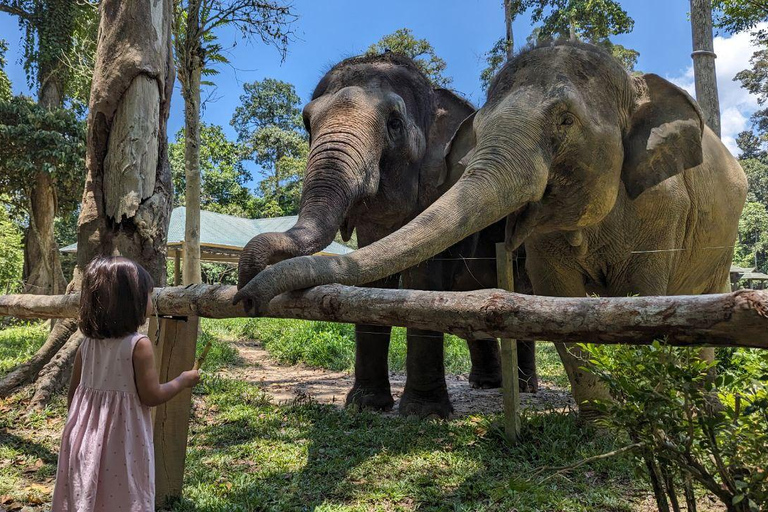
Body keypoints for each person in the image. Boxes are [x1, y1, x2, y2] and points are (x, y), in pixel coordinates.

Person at [51, 256, 200, 511]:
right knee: (124, 493)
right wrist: (182, 380)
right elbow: (151, 396)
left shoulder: (87, 345)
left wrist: (82, 428)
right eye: (148, 296)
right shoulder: (138, 345)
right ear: (130, 303)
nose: (151, 302)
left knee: (88, 492)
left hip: (84, 437)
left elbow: (73, 395)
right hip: (123, 440)